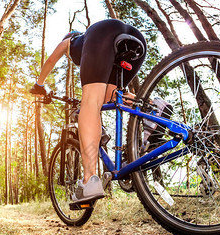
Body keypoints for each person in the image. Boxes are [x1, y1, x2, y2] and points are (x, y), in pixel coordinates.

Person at [31, 19, 147, 204]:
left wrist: (40, 85)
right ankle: (155, 110)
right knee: (112, 97)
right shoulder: (94, 44)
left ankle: (90, 180)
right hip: (137, 38)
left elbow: (51, 59)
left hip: (104, 33)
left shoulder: (71, 41)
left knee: (90, 103)